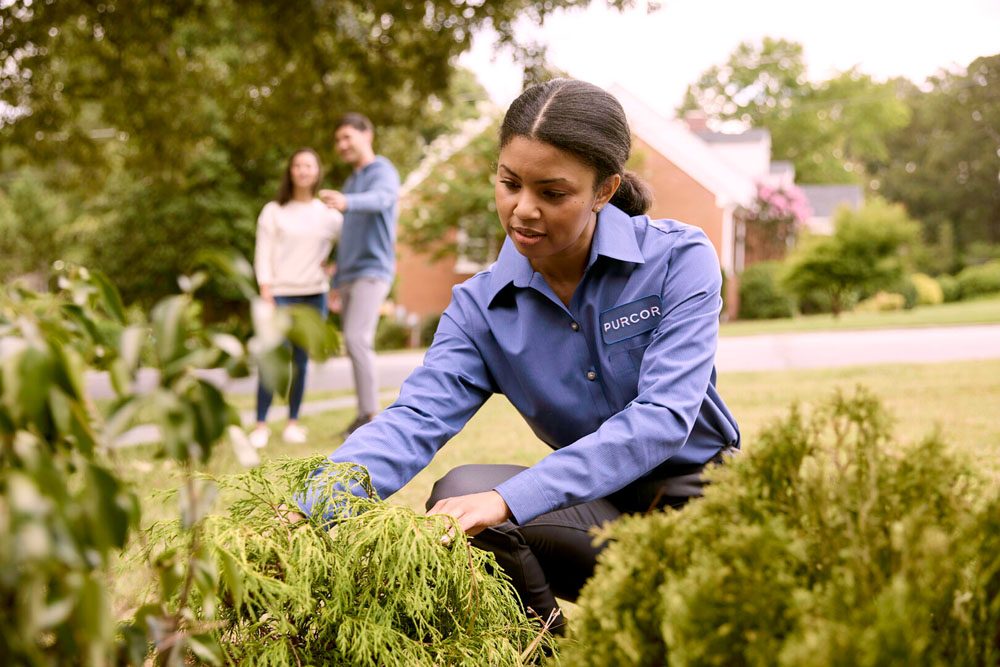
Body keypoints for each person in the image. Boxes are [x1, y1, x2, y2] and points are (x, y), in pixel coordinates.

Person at [300, 79, 740, 632]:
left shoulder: (678, 258)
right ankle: (545, 651)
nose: (522, 210)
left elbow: (661, 420)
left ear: (605, 190)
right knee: (461, 498)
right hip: (595, 515)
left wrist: (510, 499)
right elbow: (412, 421)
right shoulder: (480, 308)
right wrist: (305, 507)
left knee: (494, 503)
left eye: (552, 193)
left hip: (707, 505)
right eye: (509, 184)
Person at [250, 148, 343, 448]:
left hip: (314, 295)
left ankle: (292, 422)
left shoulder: (329, 216)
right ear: (290, 171)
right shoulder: (274, 211)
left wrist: (335, 269)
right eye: (297, 165)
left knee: (300, 363)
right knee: (272, 359)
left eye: (309, 166)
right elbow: (262, 253)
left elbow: (350, 247)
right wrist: (266, 290)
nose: (303, 170)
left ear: (317, 172)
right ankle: (261, 424)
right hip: (280, 294)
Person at [319, 113, 400, 436]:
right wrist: (336, 282)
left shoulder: (382, 171)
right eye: (338, 140)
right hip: (350, 273)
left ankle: (370, 416)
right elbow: (349, 237)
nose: (341, 145)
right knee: (352, 344)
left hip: (373, 269)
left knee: (357, 339)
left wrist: (346, 201)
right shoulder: (352, 181)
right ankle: (363, 412)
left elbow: (382, 200)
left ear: (368, 134)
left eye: (347, 137)